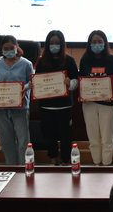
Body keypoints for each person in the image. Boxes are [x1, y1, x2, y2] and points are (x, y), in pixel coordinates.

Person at [0, 35, 34, 165]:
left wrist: (25, 87)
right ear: (2, 49)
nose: (9, 51)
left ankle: (23, 166)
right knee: (6, 139)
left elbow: (31, 81)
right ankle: (11, 166)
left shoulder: (26, 64)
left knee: (23, 139)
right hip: (2, 106)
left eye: (11, 48)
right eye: (5, 49)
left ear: (17, 47)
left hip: (20, 107)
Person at [33, 30, 79, 165]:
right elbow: (37, 81)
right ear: (47, 44)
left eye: (57, 43)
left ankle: (65, 160)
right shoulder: (41, 61)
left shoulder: (69, 60)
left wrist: (70, 83)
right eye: (51, 43)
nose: (54, 45)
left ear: (62, 44)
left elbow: (76, 82)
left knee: (66, 136)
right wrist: (33, 84)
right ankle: (53, 160)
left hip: (64, 105)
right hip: (46, 106)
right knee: (48, 135)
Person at [79, 30, 113, 166]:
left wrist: (112, 93)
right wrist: (84, 94)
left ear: (105, 43)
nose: (97, 44)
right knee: (93, 139)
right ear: (89, 44)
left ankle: (106, 166)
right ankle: (96, 165)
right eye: (94, 42)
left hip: (107, 103)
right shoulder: (85, 60)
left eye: (100, 41)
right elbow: (82, 79)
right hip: (89, 104)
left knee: (107, 139)